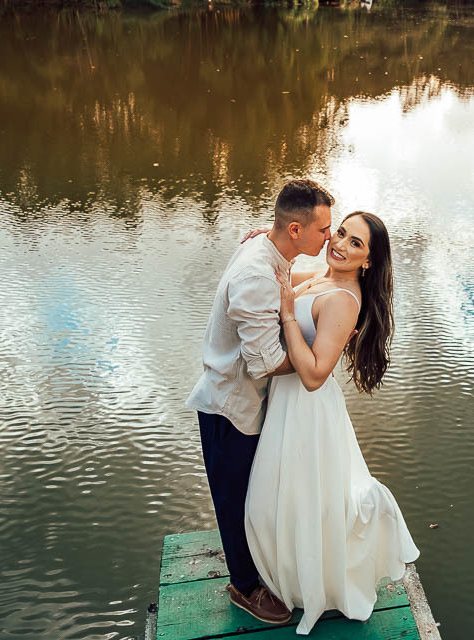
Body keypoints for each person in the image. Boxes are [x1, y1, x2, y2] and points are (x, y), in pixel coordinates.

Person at [244, 211, 420, 635]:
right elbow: (285, 271)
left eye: (355, 243)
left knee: (289, 501)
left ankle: (313, 581)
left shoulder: (344, 299)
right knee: (286, 501)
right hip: (286, 408)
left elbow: (314, 375)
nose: (340, 244)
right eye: (340, 232)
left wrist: (288, 316)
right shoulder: (326, 274)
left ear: (369, 261)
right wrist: (266, 242)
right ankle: (293, 573)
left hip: (306, 411)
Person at [185, 179, 335, 624]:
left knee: (256, 495)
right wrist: (317, 359)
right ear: (294, 229)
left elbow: (289, 286)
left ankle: (260, 567)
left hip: (247, 402)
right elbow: (266, 362)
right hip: (230, 407)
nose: (329, 236)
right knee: (233, 499)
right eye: (323, 229)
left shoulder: (274, 252)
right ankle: (243, 586)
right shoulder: (256, 275)